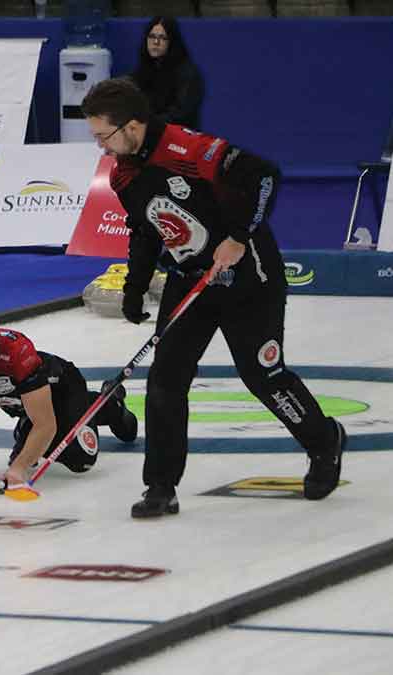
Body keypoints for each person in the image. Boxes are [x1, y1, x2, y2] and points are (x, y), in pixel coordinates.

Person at [80, 78, 346, 518]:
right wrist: (135, 285)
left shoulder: (187, 148)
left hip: (248, 275)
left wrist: (239, 238)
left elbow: (264, 176)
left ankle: (324, 442)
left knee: (263, 374)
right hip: (191, 281)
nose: (101, 148)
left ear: (131, 126)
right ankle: (161, 485)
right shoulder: (123, 172)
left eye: (103, 136)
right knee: (165, 381)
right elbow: (145, 230)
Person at [0, 304, 138, 488]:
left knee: (81, 461)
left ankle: (108, 402)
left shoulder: (15, 353)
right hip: (24, 404)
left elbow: (45, 425)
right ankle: (26, 425)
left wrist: (20, 468)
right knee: (29, 452)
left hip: (63, 389)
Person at [129, 16, 204, 130]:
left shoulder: (187, 72)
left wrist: (146, 124)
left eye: (163, 38)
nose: (156, 42)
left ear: (172, 41)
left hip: (179, 137)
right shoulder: (144, 69)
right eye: (152, 36)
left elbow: (180, 113)